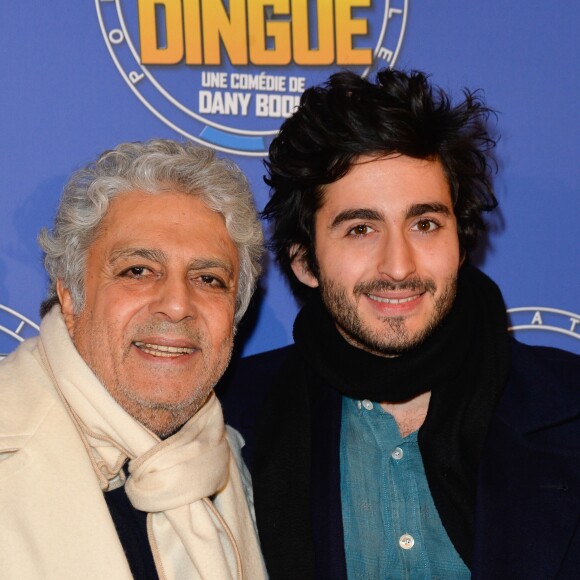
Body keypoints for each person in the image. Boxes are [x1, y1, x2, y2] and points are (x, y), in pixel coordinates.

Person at [217, 70, 580, 579]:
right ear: (304, 262)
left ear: (461, 241)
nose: (399, 266)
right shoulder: (224, 426)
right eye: (361, 229)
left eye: (425, 224)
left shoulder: (569, 408)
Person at [0, 140, 267, 579]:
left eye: (208, 278)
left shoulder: (248, 469)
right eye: (138, 271)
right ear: (69, 294)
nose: (178, 304)